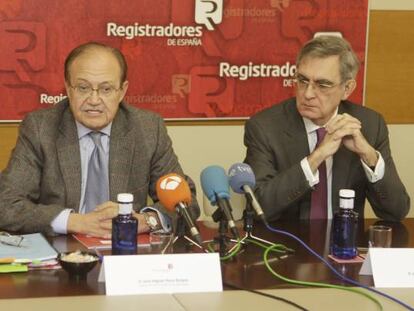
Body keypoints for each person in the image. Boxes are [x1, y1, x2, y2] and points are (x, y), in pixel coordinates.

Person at [0, 42, 199, 237]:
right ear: (68, 89)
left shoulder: (147, 129)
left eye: (106, 89)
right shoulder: (40, 128)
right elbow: (6, 203)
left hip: (125, 253)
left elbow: (185, 201)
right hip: (63, 255)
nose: (94, 100)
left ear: (122, 91)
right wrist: (75, 222)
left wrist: (145, 221)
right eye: (83, 88)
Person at [244, 35, 410, 221]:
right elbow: (258, 208)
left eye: (322, 85)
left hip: (346, 245)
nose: (307, 94)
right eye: (302, 80)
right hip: (286, 245)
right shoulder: (265, 127)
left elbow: (396, 211)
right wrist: (317, 157)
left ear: (347, 88)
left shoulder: (370, 124)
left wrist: (368, 155)